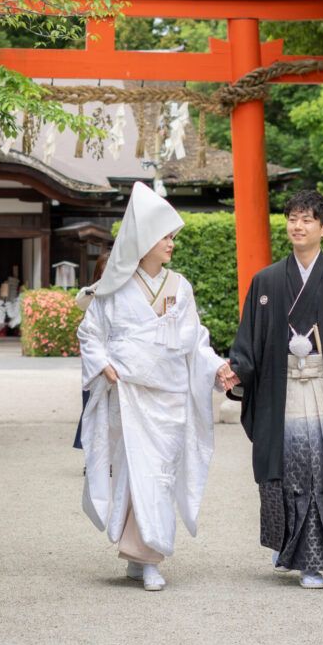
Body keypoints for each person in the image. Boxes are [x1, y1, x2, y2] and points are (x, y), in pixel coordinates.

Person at [77, 181, 235, 591]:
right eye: (165, 236)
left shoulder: (180, 287)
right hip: (129, 393)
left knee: (161, 473)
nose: (171, 244)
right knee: (136, 472)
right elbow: (89, 332)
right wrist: (104, 365)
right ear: (144, 240)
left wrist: (217, 368)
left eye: (172, 236)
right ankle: (146, 556)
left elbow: (195, 341)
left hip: (169, 395)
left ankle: (147, 551)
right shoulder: (114, 288)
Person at [227, 189, 323, 589]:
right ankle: (284, 542)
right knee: (280, 471)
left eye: (307, 219)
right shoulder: (266, 281)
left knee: (318, 471)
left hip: (322, 390)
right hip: (280, 392)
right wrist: (235, 370)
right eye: (293, 218)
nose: (297, 225)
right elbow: (250, 340)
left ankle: (312, 559)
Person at [73, 252, 110, 452]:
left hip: (117, 357)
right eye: (105, 272)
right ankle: (90, 453)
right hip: (95, 357)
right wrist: (98, 287)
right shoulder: (90, 293)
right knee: (91, 404)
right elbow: (80, 302)